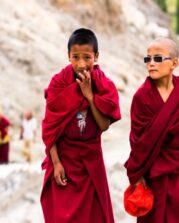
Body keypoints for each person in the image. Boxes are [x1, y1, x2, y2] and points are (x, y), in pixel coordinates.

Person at [124, 37, 179, 223]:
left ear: (174, 63)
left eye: (158, 58)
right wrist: (138, 177)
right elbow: (138, 141)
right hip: (156, 174)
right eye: (148, 59)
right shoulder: (142, 97)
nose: (151, 64)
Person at [40, 28, 121, 223]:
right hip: (65, 160)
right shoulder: (58, 83)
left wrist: (90, 96)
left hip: (91, 162)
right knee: (61, 215)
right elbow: (50, 127)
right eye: (75, 57)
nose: (81, 64)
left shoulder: (103, 85)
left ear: (96, 56)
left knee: (94, 216)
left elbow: (103, 125)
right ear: (68, 56)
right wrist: (56, 162)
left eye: (87, 57)